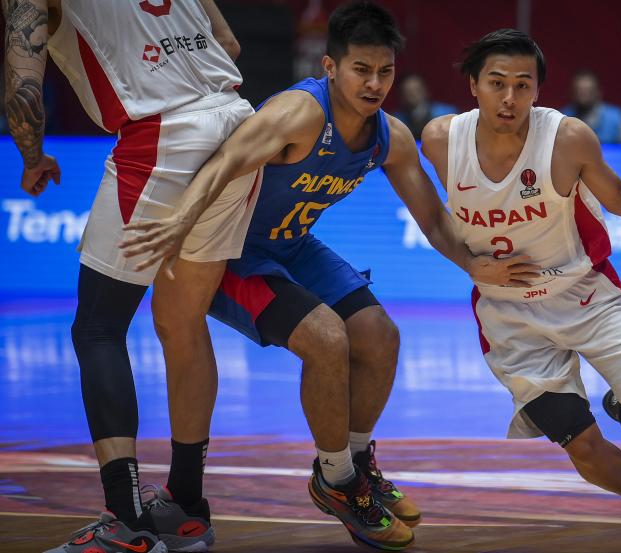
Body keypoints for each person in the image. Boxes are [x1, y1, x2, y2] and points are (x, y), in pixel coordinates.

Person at [119, 3, 538, 550]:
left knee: (381, 337)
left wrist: (475, 265)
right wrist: (178, 221)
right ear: (330, 67)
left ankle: (354, 465)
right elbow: (224, 162)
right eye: (361, 69)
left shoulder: (390, 136)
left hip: (292, 246)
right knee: (325, 339)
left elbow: (434, 221)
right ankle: (337, 481)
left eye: (384, 71)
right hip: (229, 250)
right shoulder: (299, 114)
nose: (375, 83)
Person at [421, 29, 621, 553]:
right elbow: (434, 221)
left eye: (523, 85)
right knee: (583, 450)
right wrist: (471, 265)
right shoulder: (440, 139)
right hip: (510, 317)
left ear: (538, 91)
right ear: (473, 86)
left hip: (587, 293)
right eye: (497, 83)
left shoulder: (567, 137)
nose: (510, 97)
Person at [3, 1, 261, 552]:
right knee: (183, 323)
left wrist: (31, 153)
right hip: (239, 127)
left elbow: (23, 91)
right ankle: (187, 506)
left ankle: (126, 520)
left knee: (97, 329)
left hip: (164, 137)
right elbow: (229, 45)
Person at [561, 69, 621, 144]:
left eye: (588, 91)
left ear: (598, 92)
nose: (583, 97)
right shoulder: (563, 117)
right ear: (572, 93)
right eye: (579, 91)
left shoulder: (616, 116)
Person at [394, 73, 456, 140]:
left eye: (417, 90)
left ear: (426, 90)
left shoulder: (447, 113)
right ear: (401, 95)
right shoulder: (396, 120)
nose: (413, 95)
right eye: (408, 91)